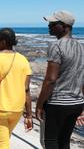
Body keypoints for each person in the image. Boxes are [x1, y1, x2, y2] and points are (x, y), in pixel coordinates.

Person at [35, 10, 84, 149]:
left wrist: (39, 105)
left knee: (50, 142)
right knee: (64, 142)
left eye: (53, 23)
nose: (49, 26)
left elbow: (50, 80)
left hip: (58, 103)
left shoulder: (56, 46)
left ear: (65, 26)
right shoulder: (82, 47)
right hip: (76, 103)